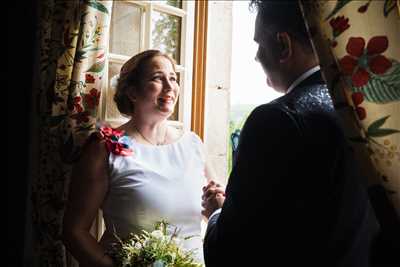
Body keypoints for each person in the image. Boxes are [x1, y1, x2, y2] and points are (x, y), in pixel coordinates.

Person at [202, 1, 378, 267]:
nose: (256, 56)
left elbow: (231, 250)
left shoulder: (277, 119)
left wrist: (218, 214)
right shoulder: (366, 109)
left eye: (259, 43)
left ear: (283, 45)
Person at [62, 49, 219, 267]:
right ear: (132, 92)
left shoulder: (193, 144)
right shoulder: (103, 147)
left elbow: (217, 217)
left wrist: (218, 209)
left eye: (173, 78)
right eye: (157, 78)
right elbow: (74, 231)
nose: (170, 86)